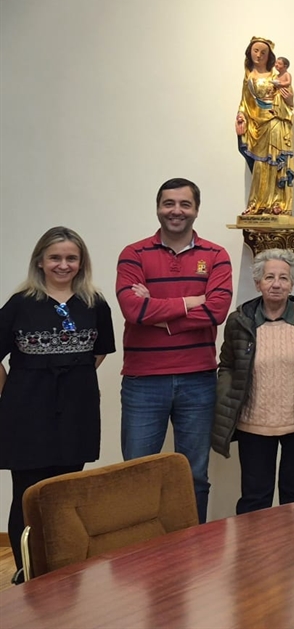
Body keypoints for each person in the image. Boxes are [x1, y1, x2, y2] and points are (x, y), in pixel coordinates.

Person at [0, 228, 114, 584]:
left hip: (76, 413)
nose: (63, 265)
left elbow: (97, 353)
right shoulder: (20, 304)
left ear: (81, 263)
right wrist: (12, 393)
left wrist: (69, 379)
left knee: (65, 494)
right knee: (28, 495)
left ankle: (64, 574)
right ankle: (27, 572)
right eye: (55, 258)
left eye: (71, 258)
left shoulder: (94, 303)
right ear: (40, 261)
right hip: (26, 412)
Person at [117, 178, 233, 523]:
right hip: (143, 381)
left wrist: (159, 313)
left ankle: (193, 546)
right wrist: (190, 302)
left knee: (194, 475)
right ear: (158, 207)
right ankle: (139, 547)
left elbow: (216, 311)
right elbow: (133, 311)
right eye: (169, 203)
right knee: (137, 475)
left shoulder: (216, 256)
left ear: (196, 209)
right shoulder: (133, 254)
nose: (176, 211)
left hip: (198, 379)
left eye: (185, 204)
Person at [212, 249, 294, 514]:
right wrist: (226, 397)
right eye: (269, 277)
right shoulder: (239, 321)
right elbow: (227, 366)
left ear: (292, 284)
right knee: (255, 500)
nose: (276, 284)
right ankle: (254, 545)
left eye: (283, 278)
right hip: (253, 426)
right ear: (258, 283)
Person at [235, 36, 294, 217]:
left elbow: (289, 100)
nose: (259, 55)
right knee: (260, 165)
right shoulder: (249, 78)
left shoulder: (277, 77)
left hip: (275, 121)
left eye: (263, 52)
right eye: (255, 51)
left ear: (269, 56)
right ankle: (257, 204)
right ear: (249, 53)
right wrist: (241, 116)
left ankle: (278, 204)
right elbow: (244, 102)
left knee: (276, 162)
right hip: (256, 125)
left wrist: (288, 98)